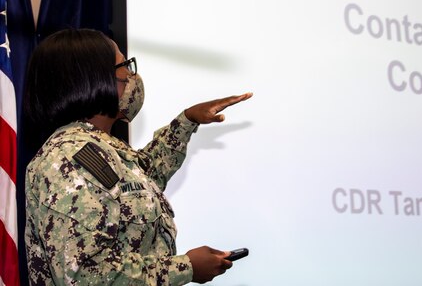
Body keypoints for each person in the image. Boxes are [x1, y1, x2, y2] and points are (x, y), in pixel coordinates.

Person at [24, 28, 252, 286]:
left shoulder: (98, 146)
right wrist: (186, 268)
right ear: (95, 78)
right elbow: (84, 275)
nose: (133, 76)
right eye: (125, 66)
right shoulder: (67, 159)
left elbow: (143, 182)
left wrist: (187, 120)